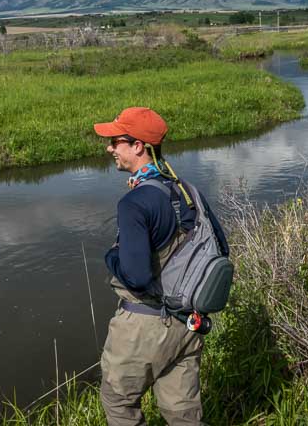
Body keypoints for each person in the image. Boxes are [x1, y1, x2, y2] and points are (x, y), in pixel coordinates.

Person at [93, 107, 229, 426]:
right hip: (189, 321)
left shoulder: (135, 203)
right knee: (182, 410)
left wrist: (110, 257)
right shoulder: (186, 190)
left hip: (144, 324)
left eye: (116, 140)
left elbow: (138, 277)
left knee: (117, 400)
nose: (109, 147)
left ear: (138, 146)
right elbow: (221, 248)